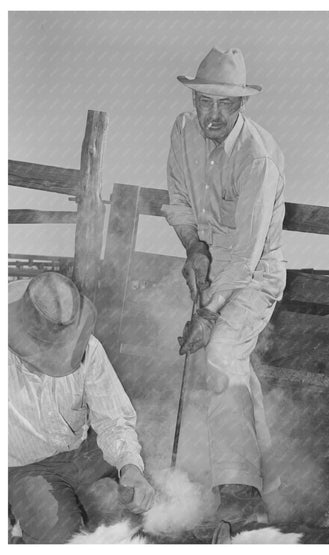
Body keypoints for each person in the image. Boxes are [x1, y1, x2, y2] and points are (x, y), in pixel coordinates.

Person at [162, 47, 286, 528]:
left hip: (256, 273)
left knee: (220, 353)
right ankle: (266, 478)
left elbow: (246, 256)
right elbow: (177, 198)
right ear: (194, 100)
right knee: (232, 366)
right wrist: (193, 246)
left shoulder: (258, 159)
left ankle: (240, 494)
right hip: (214, 263)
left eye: (225, 104)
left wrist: (206, 313)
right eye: (204, 102)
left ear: (242, 106)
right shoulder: (181, 130)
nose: (212, 115)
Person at [8, 272, 155, 543]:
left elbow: (114, 419)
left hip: (85, 453)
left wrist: (130, 468)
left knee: (132, 519)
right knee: (61, 539)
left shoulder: (88, 348)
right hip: (27, 467)